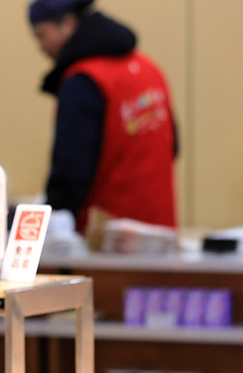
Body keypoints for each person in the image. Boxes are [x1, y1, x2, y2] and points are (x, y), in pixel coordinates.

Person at [29, 0, 178, 236]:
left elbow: (71, 168)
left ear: (67, 24)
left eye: (41, 34)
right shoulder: (148, 68)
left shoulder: (84, 81)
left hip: (109, 240)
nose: (40, 46)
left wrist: (53, 220)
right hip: (161, 232)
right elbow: (174, 145)